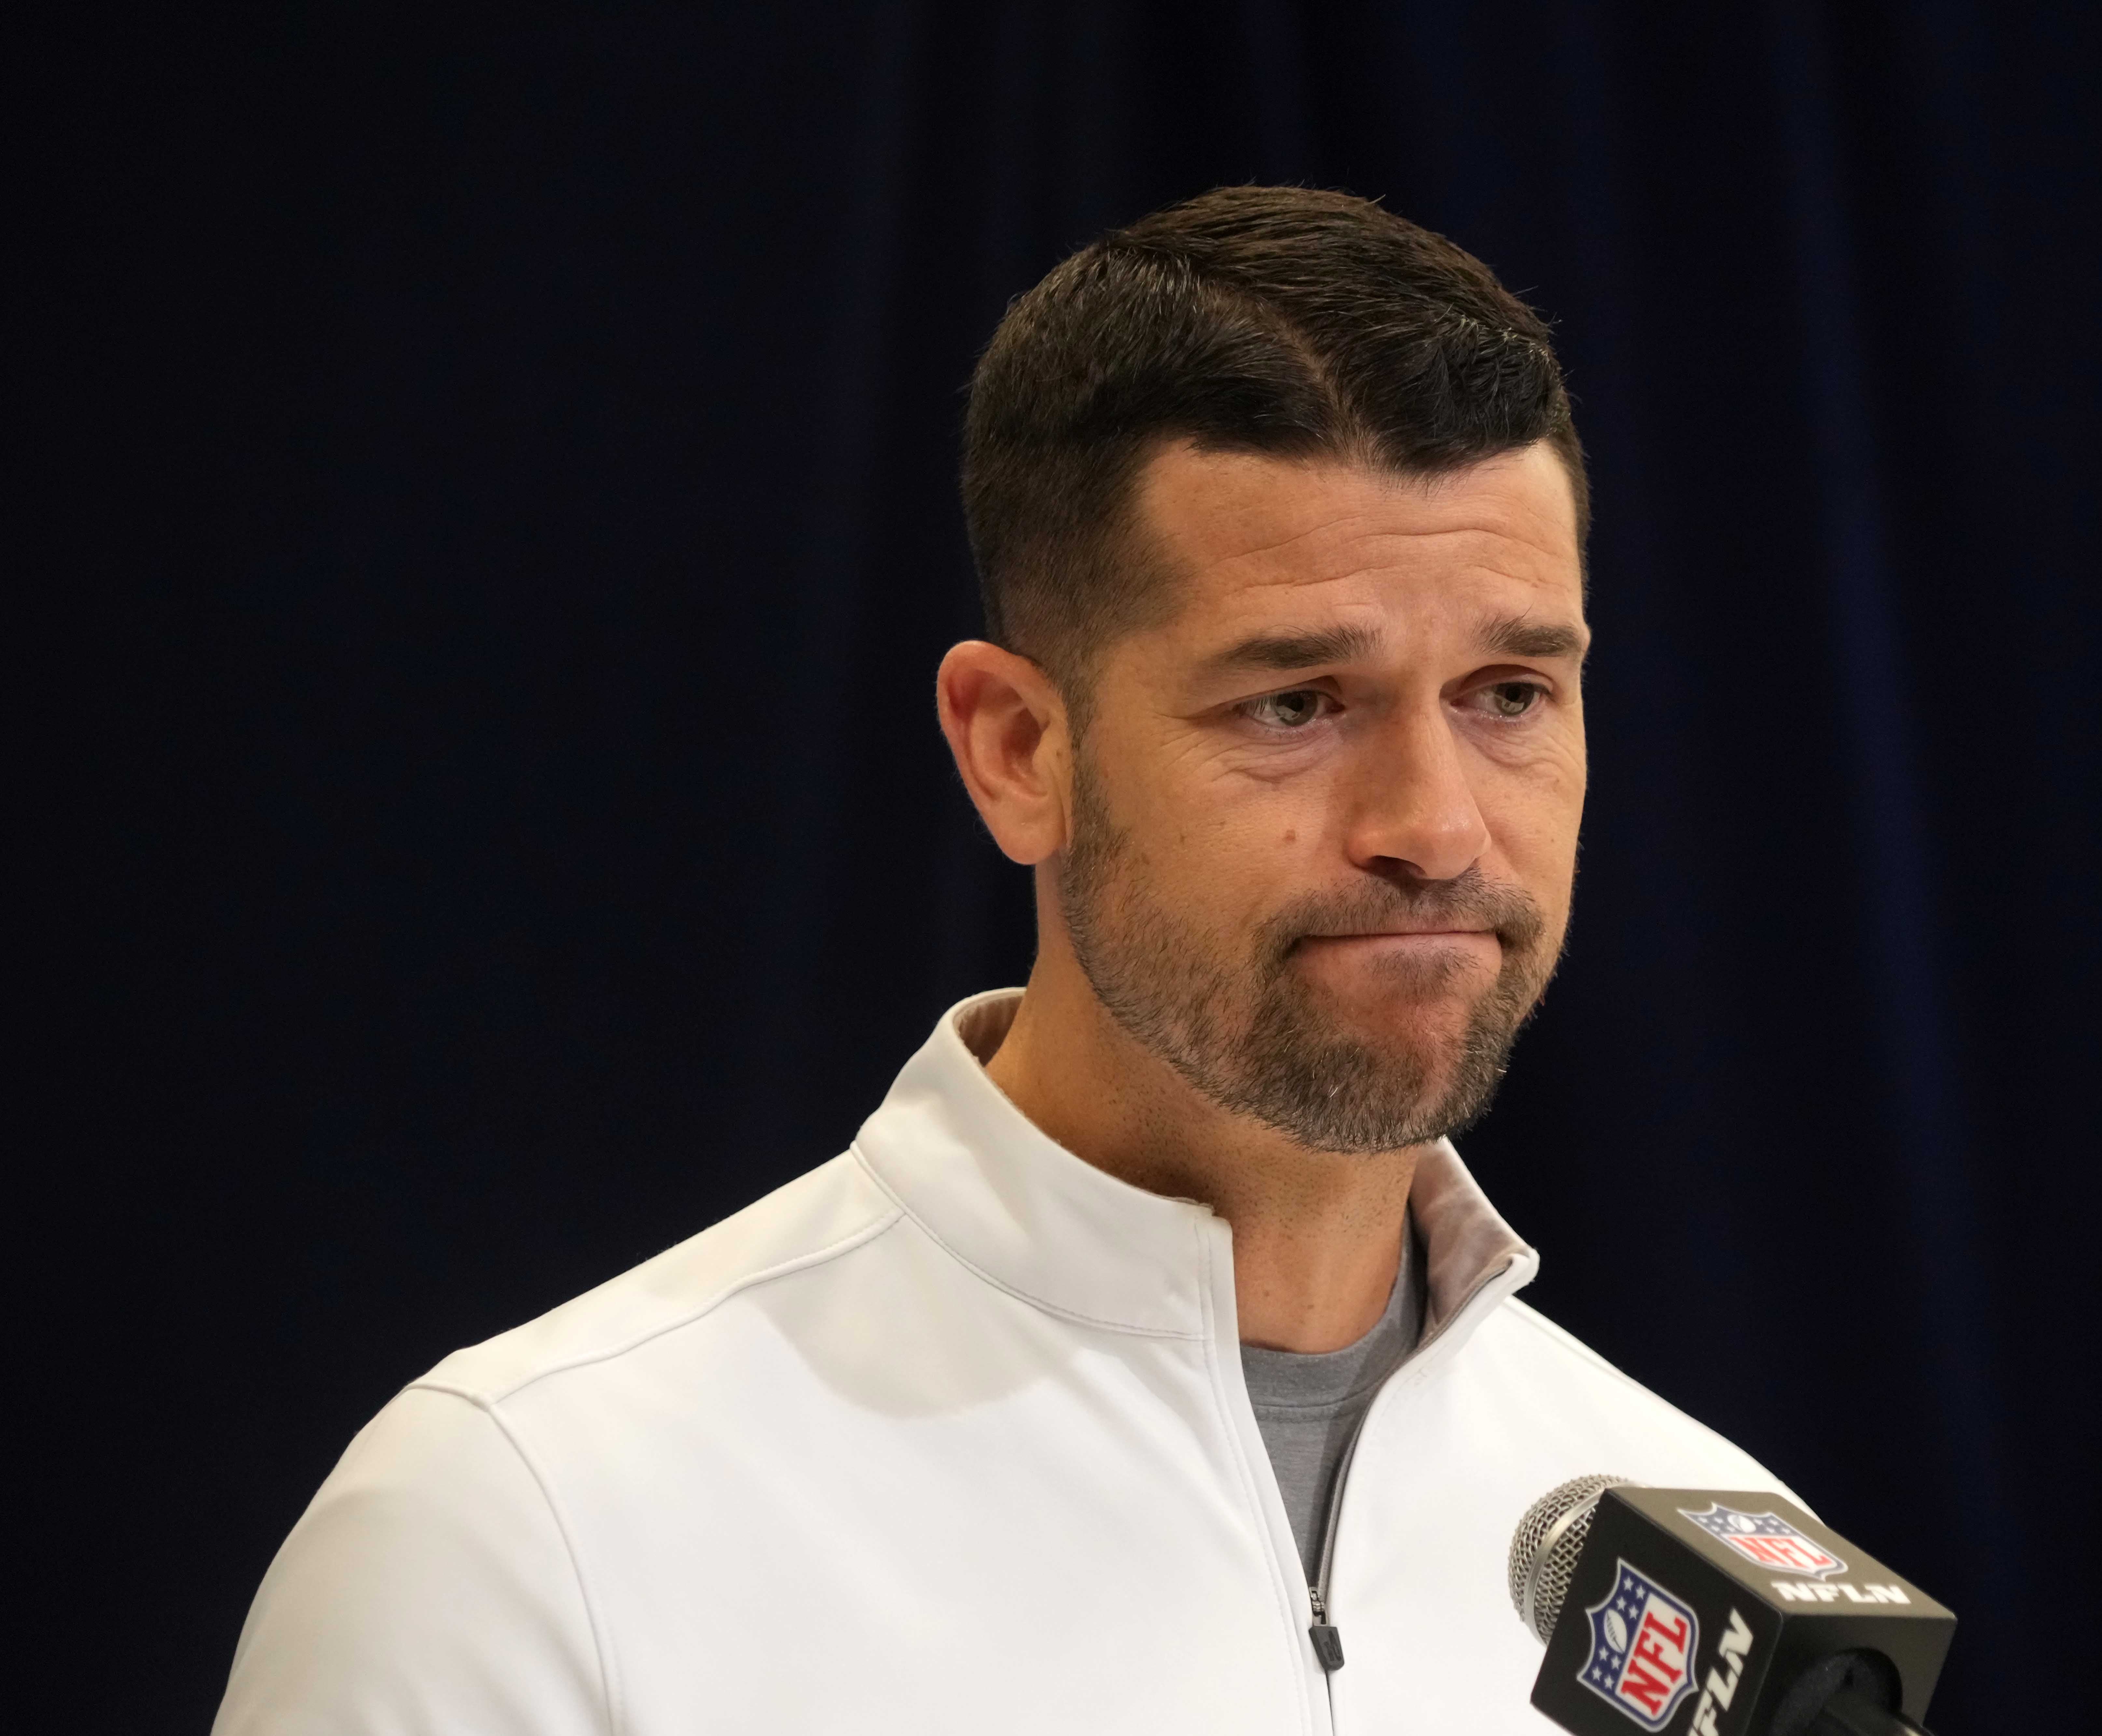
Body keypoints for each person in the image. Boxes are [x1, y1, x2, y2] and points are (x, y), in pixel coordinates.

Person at [214, 185, 1797, 1735]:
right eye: (1296, 701)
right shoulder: (533, 1525)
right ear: (1018, 746)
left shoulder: (1720, 1583)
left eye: (1510, 693)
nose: (1434, 828)